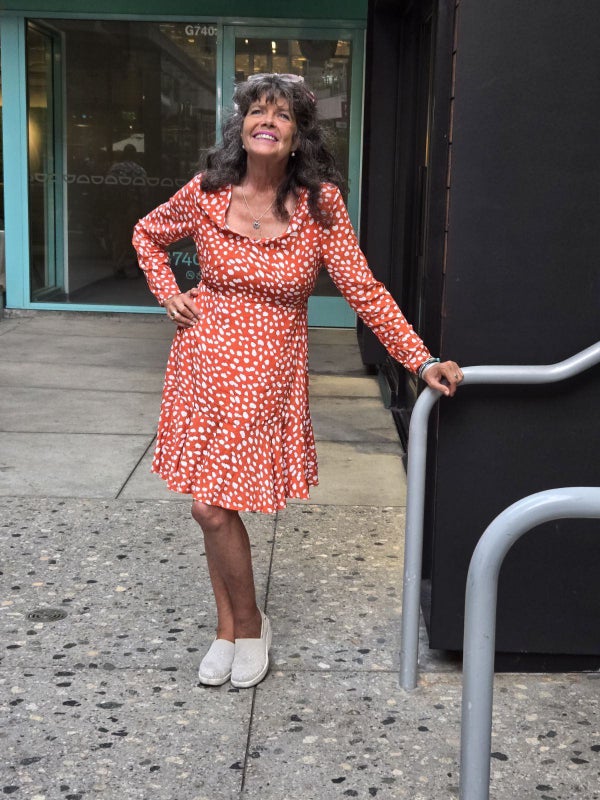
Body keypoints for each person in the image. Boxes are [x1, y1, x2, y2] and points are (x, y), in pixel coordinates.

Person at [132, 73, 463, 690]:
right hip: (202, 364)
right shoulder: (207, 191)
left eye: (281, 115)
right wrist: (167, 292)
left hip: (267, 373)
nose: (267, 121)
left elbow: (363, 289)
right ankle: (231, 628)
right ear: (241, 127)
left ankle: (249, 625)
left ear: (298, 136)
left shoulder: (319, 205)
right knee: (212, 506)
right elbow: (147, 234)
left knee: (210, 507)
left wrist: (420, 360)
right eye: (257, 111)